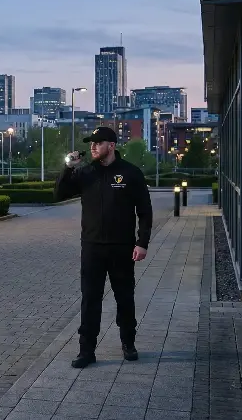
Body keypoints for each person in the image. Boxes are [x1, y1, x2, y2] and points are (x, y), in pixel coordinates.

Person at [55, 126, 153, 368]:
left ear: (111, 145)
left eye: (98, 143)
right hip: (92, 248)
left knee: (125, 298)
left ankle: (128, 344)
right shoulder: (86, 173)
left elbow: (145, 211)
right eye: (91, 143)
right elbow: (58, 194)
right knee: (90, 299)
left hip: (122, 248)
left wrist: (142, 243)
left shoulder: (131, 173)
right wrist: (68, 167)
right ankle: (86, 351)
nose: (93, 147)